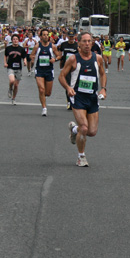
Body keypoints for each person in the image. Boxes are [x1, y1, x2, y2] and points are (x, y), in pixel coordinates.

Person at [60, 31, 107, 167]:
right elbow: (61, 76)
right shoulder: (73, 59)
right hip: (78, 97)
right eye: (84, 41)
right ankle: (81, 156)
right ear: (79, 43)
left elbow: (103, 74)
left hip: (92, 97)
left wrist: (103, 88)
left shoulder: (98, 58)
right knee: (85, 128)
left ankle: (74, 130)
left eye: (89, 41)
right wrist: (68, 88)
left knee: (92, 132)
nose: (87, 44)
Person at [31, 28, 61, 116]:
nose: (45, 36)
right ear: (40, 36)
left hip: (49, 71)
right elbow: (31, 54)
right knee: (41, 89)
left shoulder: (52, 46)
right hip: (39, 70)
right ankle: (44, 108)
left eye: (47, 35)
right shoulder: (37, 46)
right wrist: (32, 58)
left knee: (47, 93)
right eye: (43, 35)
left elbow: (59, 55)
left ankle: (43, 97)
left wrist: (55, 59)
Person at [59, 29, 79, 109]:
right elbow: (61, 56)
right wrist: (61, 66)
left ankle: (74, 100)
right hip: (66, 67)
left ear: (75, 36)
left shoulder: (77, 46)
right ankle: (69, 101)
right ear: (67, 36)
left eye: (72, 37)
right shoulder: (63, 44)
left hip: (75, 68)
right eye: (70, 37)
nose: (71, 38)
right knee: (67, 85)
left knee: (74, 85)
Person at [4, 34, 26, 105]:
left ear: (18, 40)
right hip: (10, 67)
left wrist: (25, 61)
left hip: (18, 68)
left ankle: (13, 98)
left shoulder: (21, 49)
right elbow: (5, 55)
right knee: (12, 80)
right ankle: (10, 89)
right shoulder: (8, 48)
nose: (15, 40)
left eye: (16, 39)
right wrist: (5, 63)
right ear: (12, 40)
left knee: (16, 85)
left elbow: (24, 57)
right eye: (14, 39)